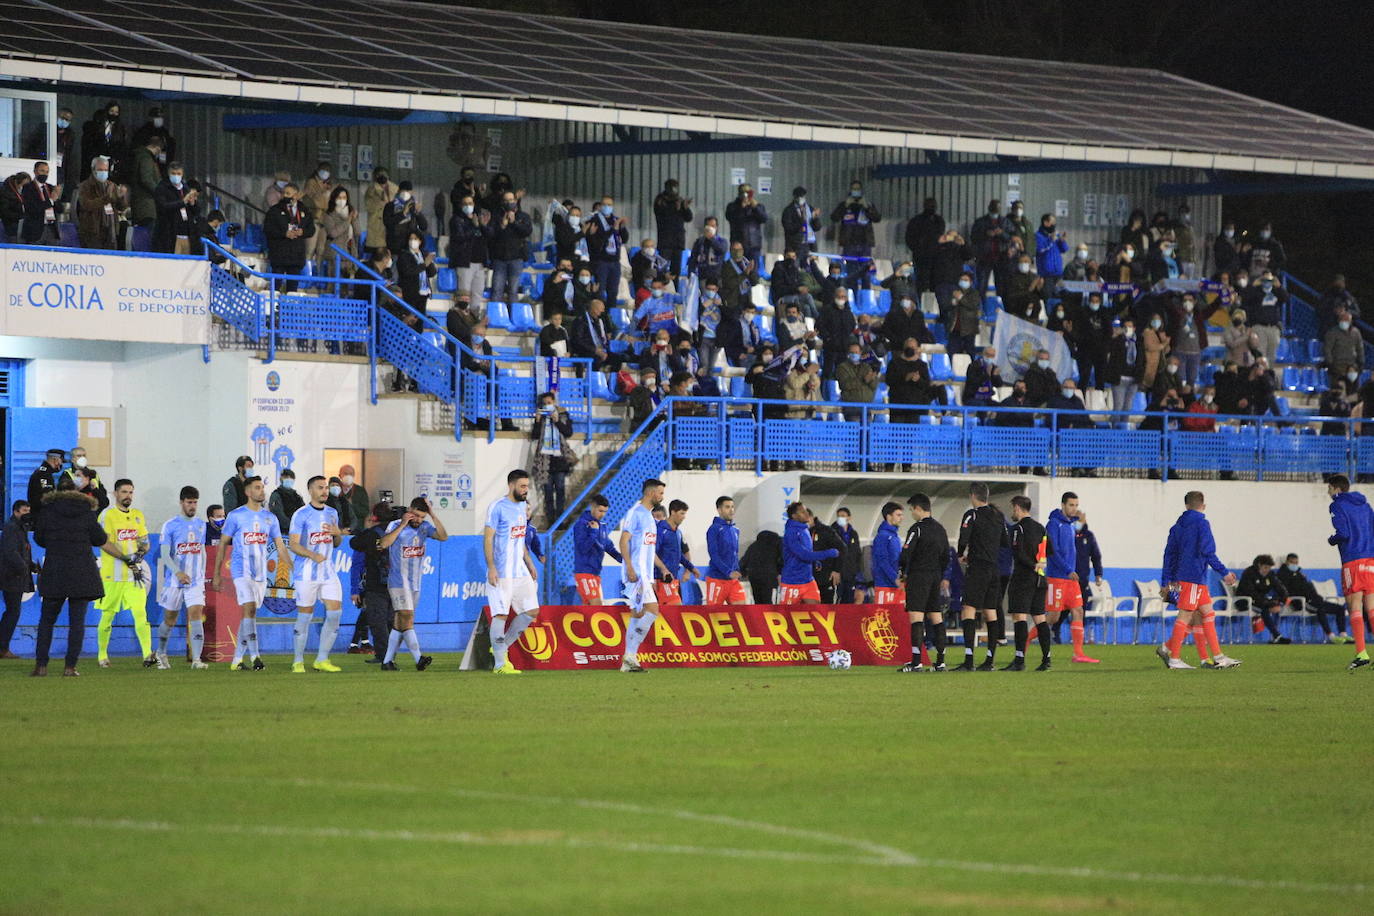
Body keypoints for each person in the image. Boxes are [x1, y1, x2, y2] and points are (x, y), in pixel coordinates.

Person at [1157, 491, 1241, 670]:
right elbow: (1207, 551)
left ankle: (1218, 657)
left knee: (1208, 614)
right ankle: (1175, 659)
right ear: (1203, 506)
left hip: (1185, 578)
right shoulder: (1202, 523)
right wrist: (1224, 573)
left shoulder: (1176, 527)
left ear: (1186, 505)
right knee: (1186, 615)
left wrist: (1166, 581)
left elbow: (1169, 555)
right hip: (1194, 578)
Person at [31, 479, 106, 677]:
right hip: (81, 571)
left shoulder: (48, 510)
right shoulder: (86, 511)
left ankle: (41, 666)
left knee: (46, 621)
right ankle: (70, 667)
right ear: (76, 491)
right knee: (77, 622)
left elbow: (39, 538)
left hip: (55, 570)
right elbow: (100, 539)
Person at [211, 475, 286, 670]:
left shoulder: (270, 518)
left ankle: (236, 661)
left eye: (262, 487)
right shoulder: (236, 516)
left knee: (249, 615)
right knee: (250, 609)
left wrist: (292, 567)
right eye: (257, 487)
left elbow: (279, 545)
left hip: (260, 574)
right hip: (240, 569)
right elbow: (222, 546)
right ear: (247, 492)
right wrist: (217, 574)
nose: (262, 491)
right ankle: (256, 657)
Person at [377, 496, 447, 670]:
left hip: (416, 582)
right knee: (407, 617)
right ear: (409, 510)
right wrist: (402, 524)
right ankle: (418, 659)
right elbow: (384, 543)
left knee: (401, 622)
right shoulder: (395, 525)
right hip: (398, 582)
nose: (419, 520)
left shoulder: (424, 528)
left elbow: (443, 536)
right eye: (416, 515)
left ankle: (387, 662)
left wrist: (432, 514)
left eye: (422, 517)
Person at [285, 476, 347, 674]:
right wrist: (312, 555)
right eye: (320, 488)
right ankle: (298, 661)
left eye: (326, 488)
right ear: (310, 490)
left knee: (335, 613)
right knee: (305, 617)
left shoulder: (332, 513)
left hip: (328, 571)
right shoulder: (301, 514)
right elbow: (293, 544)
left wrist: (338, 533)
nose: (325, 491)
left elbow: (336, 543)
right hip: (306, 573)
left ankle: (322, 659)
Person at [94, 479, 153, 668]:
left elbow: (145, 542)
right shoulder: (107, 515)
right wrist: (125, 558)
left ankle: (147, 655)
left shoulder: (137, 516)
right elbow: (104, 543)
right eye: (124, 492)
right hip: (112, 575)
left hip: (133, 576)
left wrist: (140, 554)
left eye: (131, 492)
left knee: (141, 614)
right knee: (107, 616)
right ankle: (102, 655)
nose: (128, 496)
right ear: (115, 494)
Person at [954, 482, 1009, 672]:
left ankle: (969, 660)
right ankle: (989, 660)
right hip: (994, 569)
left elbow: (963, 537)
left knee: (968, 609)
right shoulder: (998, 516)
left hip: (977, 568)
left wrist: (961, 553)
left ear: (972, 496)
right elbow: (1005, 541)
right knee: (990, 611)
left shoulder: (972, 514)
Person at [153, 486, 209, 670]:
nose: (192, 506)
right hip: (174, 581)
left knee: (196, 615)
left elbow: (201, 551)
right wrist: (178, 572)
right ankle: (160, 652)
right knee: (170, 620)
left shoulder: (202, 525)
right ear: (181, 502)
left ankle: (197, 660)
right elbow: (165, 554)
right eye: (189, 502)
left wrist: (202, 573)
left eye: (195, 502)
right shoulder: (171, 525)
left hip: (195, 581)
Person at [1044, 493, 1099, 663]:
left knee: (1078, 611)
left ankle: (1078, 654)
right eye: (1071, 505)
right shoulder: (1053, 524)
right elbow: (1052, 552)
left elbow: (1081, 538)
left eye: (1076, 505)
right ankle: (1025, 641)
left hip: (1070, 578)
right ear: (1063, 505)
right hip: (1057, 578)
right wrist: (1068, 569)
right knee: (1053, 618)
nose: (1074, 508)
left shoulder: (1070, 525)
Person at [1327, 474, 1374, 670]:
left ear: (1336, 488)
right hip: (1371, 559)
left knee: (1354, 605)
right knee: (1371, 607)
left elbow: (1343, 533)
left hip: (1352, 559)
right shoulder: (1365, 504)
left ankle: (1361, 654)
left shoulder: (1337, 505)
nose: (1328, 492)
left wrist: (1332, 539)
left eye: (1329, 488)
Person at [618, 478, 666, 673]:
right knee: (653, 610)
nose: (662, 497)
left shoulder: (650, 518)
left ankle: (628, 661)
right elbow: (623, 541)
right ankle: (630, 656)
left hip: (645, 574)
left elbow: (649, 549)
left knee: (638, 614)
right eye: (660, 493)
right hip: (636, 573)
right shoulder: (635, 513)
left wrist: (662, 569)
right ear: (651, 493)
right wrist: (629, 568)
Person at [898, 493, 949, 672]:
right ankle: (941, 661)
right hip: (935, 576)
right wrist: (939, 574)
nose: (912, 513)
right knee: (936, 616)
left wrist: (903, 572)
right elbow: (946, 556)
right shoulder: (940, 529)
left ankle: (916, 661)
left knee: (916, 617)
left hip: (919, 576)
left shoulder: (916, 528)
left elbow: (906, 554)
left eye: (912, 509)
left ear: (919, 509)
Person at [1005, 495, 1053, 671]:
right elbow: (1050, 551)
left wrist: (1032, 564)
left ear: (1017, 508)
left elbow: (1018, 553)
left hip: (1023, 578)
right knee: (1040, 618)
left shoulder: (1017, 529)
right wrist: (1039, 564)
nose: (1012, 512)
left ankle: (1019, 660)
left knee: (1020, 617)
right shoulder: (1041, 528)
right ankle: (1046, 659)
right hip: (1040, 579)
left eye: (1013, 509)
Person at [348, 503, 396, 663]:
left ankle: (383, 655)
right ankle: (389, 654)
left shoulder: (371, 535)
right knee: (390, 620)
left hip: (376, 583)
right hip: (397, 582)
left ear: (374, 517)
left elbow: (355, 547)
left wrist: (355, 588)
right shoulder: (399, 531)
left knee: (377, 620)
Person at [1277, 553, 1351, 644]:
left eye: (1296, 563)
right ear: (1287, 562)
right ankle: (1331, 636)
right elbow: (1287, 591)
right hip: (1303, 602)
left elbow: (1308, 587)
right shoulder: (1282, 575)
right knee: (1320, 610)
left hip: (1316, 599)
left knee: (1340, 608)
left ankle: (1343, 634)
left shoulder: (1299, 574)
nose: (1295, 565)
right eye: (1292, 562)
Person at [779, 503, 839, 604]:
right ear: (794, 516)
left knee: (815, 612)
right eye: (802, 512)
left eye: (806, 510)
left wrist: (815, 561)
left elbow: (808, 552)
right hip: (792, 581)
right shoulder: (791, 533)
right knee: (787, 617)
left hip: (808, 580)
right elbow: (804, 555)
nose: (807, 514)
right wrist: (828, 553)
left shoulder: (804, 529)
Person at [0, 500, 36, 659]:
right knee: (13, 612)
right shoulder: (12, 528)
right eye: (24, 510)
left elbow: (21, 551)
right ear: (16, 512)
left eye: (28, 510)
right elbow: (10, 553)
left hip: (15, 575)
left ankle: (3, 646)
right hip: (12, 576)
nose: (27, 513)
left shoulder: (20, 527)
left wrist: (31, 565)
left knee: (12, 612)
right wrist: (24, 567)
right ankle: (2, 647)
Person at [530, 392, 574, 525]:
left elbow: (568, 432)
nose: (547, 406)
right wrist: (537, 421)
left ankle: (560, 520)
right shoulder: (542, 417)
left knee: (560, 490)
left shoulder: (563, 415)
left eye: (549, 403)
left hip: (560, 461)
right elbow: (535, 436)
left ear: (554, 402)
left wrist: (557, 421)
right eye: (545, 404)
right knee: (548, 493)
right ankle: (551, 521)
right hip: (545, 461)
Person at [571, 493, 622, 605]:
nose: (602, 514)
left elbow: (607, 546)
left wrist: (624, 560)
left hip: (596, 573)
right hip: (584, 572)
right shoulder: (581, 524)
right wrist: (593, 532)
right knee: (596, 605)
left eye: (605, 511)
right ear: (592, 507)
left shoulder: (602, 525)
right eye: (600, 511)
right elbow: (583, 548)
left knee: (589, 607)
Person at [482, 191, 532, 306]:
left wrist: (514, 222)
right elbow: (491, 235)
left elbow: (527, 231)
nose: (509, 202)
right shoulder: (496, 216)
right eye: (506, 200)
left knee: (513, 291)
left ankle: (513, 316)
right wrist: (502, 226)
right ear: (502, 202)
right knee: (497, 290)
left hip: (516, 258)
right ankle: (496, 317)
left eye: (511, 200)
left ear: (516, 201)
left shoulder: (523, 216)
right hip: (499, 259)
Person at [831, 180, 880, 292]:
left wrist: (867, 207)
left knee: (866, 274)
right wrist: (845, 206)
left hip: (865, 244)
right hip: (849, 244)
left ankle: (865, 300)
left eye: (858, 189)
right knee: (852, 274)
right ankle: (852, 299)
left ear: (861, 190)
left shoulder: (868, 204)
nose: (856, 191)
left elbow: (877, 218)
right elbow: (834, 217)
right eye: (854, 189)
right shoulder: (844, 204)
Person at [264, 183, 314, 288]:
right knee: (275, 287)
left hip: (296, 256)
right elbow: (268, 229)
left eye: (288, 193)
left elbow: (311, 229)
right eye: (283, 193)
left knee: (292, 289)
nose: (284, 196)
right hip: (279, 254)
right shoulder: (274, 210)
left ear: (296, 195)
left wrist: (302, 232)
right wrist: (284, 234)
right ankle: (275, 304)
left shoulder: (304, 210)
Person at [1236, 554, 1293, 645]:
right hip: (1244, 601)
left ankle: (1276, 637)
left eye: (1269, 568)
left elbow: (1281, 589)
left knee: (1272, 605)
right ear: (1259, 565)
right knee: (1264, 609)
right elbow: (1251, 593)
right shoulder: (1248, 573)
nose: (1267, 570)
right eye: (1265, 567)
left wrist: (1280, 603)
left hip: (1260, 601)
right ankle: (1277, 636)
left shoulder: (1270, 574)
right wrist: (1269, 604)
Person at [702, 496, 746, 605]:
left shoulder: (735, 530)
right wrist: (728, 572)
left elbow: (734, 554)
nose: (731, 510)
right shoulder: (714, 529)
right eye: (727, 507)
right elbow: (714, 555)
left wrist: (737, 570)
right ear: (719, 509)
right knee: (713, 615)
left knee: (742, 612)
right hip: (716, 579)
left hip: (733, 581)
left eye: (732, 507)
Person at [76, 156, 126, 250]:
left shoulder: (112, 185)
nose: (103, 172)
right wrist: (106, 198)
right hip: (92, 231)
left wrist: (121, 197)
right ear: (93, 170)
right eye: (100, 170)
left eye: (105, 170)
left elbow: (121, 207)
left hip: (111, 231)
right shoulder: (85, 186)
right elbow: (86, 205)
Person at [653, 500, 697, 607]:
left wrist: (691, 568)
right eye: (682, 513)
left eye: (684, 514)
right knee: (675, 609)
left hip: (674, 579)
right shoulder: (659, 531)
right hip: (662, 579)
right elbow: (652, 554)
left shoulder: (677, 532)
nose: (684, 517)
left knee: (669, 613)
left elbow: (679, 555)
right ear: (673, 512)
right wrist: (653, 577)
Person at [586, 195, 628, 302]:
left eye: (609, 205)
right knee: (600, 292)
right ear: (600, 206)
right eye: (604, 204)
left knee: (613, 292)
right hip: (601, 261)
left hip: (615, 261)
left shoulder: (616, 220)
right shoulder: (594, 220)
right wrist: (613, 229)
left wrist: (621, 227)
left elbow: (624, 239)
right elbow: (596, 243)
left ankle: (610, 316)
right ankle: (600, 316)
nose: (606, 207)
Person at [151, 162, 199, 254]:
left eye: (178, 174)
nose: (176, 176)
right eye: (173, 173)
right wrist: (182, 202)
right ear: (169, 174)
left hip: (186, 233)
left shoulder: (186, 188)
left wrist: (193, 204)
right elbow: (163, 207)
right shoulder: (162, 188)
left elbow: (196, 212)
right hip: (170, 234)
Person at [652, 179, 693, 277]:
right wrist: (675, 208)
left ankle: (675, 290)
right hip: (665, 241)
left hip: (678, 241)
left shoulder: (679, 200)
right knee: (662, 269)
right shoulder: (660, 200)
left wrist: (685, 207)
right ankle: (661, 287)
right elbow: (661, 214)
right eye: (671, 188)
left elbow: (689, 218)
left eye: (675, 188)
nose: (673, 190)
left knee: (676, 271)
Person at [904, 198, 944, 293]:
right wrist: (918, 249)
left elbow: (941, 237)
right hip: (921, 258)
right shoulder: (916, 221)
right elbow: (909, 238)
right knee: (921, 283)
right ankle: (921, 303)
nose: (932, 207)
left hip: (936, 257)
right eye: (930, 205)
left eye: (933, 205)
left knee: (935, 283)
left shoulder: (939, 221)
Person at [20, 159, 63, 244]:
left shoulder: (50, 188)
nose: (45, 174)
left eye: (47, 172)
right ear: (35, 171)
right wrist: (51, 200)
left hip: (51, 229)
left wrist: (57, 198)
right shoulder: (28, 188)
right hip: (34, 231)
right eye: (42, 171)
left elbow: (60, 209)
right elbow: (33, 209)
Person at [869, 502, 905, 606]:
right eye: (898, 515)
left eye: (901, 515)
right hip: (884, 586)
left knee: (898, 619)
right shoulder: (882, 536)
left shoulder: (895, 537)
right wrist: (895, 578)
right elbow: (882, 561)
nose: (901, 518)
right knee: (883, 618)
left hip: (896, 585)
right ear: (889, 516)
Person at [724, 182, 768, 263]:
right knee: (737, 269)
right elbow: (730, 218)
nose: (745, 195)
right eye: (743, 192)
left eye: (748, 192)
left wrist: (755, 207)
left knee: (753, 270)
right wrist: (741, 208)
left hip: (754, 245)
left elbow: (764, 219)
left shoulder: (758, 206)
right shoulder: (732, 206)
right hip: (738, 245)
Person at [382, 181, 427, 256]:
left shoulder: (413, 207)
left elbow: (424, 226)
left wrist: (417, 213)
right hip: (395, 247)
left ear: (411, 192)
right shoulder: (390, 206)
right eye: (404, 191)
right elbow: (388, 223)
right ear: (399, 191)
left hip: (410, 248)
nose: (405, 193)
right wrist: (403, 214)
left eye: (408, 191)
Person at [364, 169, 399, 259]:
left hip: (391, 230)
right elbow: (369, 206)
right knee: (378, 256)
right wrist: (380, 190)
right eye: (379, 176)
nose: (382, 178)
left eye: (383, 175)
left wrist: (387, 188)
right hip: (377, 230)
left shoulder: (393, 189)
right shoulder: (371, 190)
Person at [741, 528, 783, 604]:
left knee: (757, 601)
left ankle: (759, 615)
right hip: (770, 576)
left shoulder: (754, 545)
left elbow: (744, 560)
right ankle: (769, 615)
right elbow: (781, 560)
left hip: (754, 576)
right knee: (768, 601)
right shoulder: (777, 545)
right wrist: (780, 572)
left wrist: (743, 573)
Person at [781, 187, 823, 261]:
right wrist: (801, 222)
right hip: (794, 246)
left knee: (809, 269)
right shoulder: (788, 210)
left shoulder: (809, 209)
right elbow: (788, 228)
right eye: (798, 196)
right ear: (794, 197)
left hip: (809, 245)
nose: (801, 198)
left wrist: (815, 218)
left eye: (802, 196)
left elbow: (817, 227)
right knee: (794, 268)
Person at [832, 508, 862, 604]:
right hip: (838, 573)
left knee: (849, 600)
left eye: (843, 516)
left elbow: (857, 554)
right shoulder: (832, 532)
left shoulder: (853, 534)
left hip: (850, 574)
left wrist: (857, 572)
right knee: (837, 599)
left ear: (849, 517)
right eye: (839, 516)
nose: (840, 518)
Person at [26, 449, 64, 522]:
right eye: (61, 461)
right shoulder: (44, 474)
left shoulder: (44, 472)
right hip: (42, 515)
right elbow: (47, 495)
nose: (61, 464)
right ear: (55, 460)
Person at [688, 217, 728, 285]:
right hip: (703, 276)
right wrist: (690, 275)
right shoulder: (699, 242)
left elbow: (721, 250)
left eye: (713, 226)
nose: (710, 228)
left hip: (717, 277)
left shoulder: (722, 241)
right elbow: (693, 259)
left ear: (716, 227)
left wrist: (711, 238)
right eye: (709, 226)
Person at [268, 469, 303, 534]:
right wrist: (292, 526)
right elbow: (278, 514)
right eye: (286, 477)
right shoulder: (276, 494)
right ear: (281, 478)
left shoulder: (297, 495)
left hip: (297, 531)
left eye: (291, 478)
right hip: (282, 532)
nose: (289, 479)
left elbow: (302, 512)